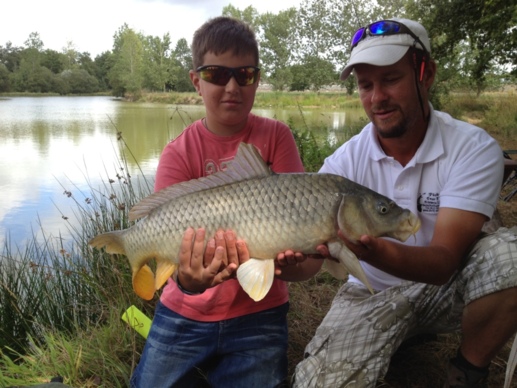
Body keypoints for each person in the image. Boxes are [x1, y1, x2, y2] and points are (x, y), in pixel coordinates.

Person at [291, 18, 517, 388]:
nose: (377, 97)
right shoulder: (341, 165)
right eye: (366, 85)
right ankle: (398, 329)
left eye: (391, 79)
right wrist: (284, 262)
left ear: (425, 73)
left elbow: (445, 262)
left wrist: (369, 250)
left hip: (450, 288)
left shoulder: (473, 149)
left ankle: (468, 370)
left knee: (511, 256)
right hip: (368, 292)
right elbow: (309, 267)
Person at [129, 16, 316, 387]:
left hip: (259, 312)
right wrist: (189, 281)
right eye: (216, 74)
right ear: (196, 81)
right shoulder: (177, 152)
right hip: (185, 312)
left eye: (244, 75)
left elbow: (302, 259)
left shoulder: (277, 138)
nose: (231, 86)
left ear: (257, 80)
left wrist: (294, 263)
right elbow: (183, 278)